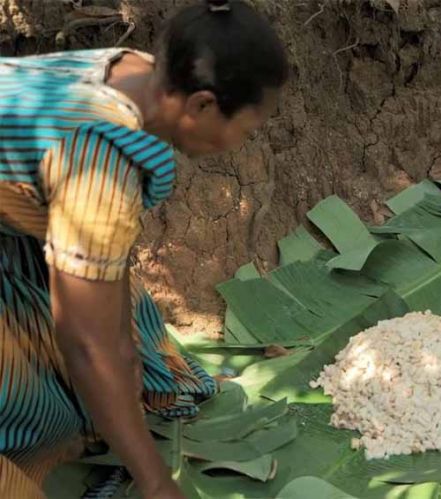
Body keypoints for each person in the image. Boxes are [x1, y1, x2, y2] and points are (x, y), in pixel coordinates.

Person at [0, 0, 287, 497]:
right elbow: (86, 343)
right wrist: (155, 481)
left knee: (119, 316)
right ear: (200, 105)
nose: (244, 141)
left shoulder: (136, 70)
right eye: (248, 127)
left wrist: (124, 357)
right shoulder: (101, 163)